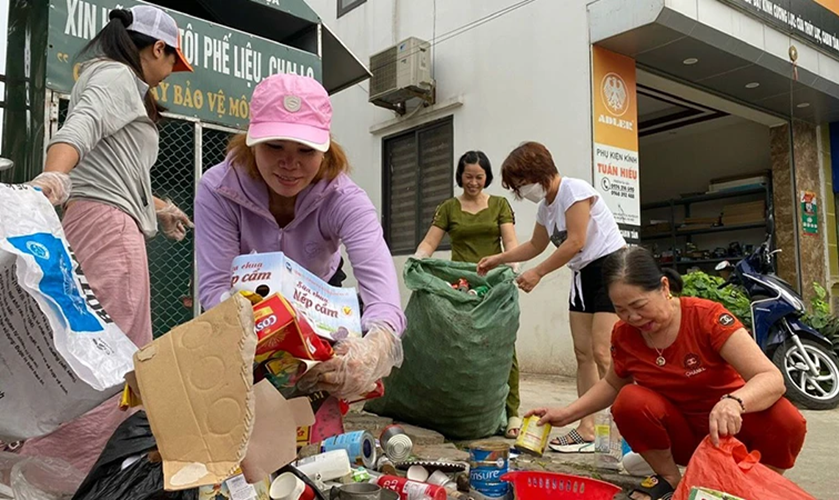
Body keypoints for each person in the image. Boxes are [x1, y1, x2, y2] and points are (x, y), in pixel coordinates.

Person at [22, 6, 194, 474]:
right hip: (109, 234)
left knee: (84, 349)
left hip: (92, 223)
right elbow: (79, 130)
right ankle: (81, 470)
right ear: (158, 48)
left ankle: (61, 465)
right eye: (171, 63)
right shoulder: (117, 78)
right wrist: (52, 178)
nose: (169, 75)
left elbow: (114, 168)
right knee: (110, 361)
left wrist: (158, 207)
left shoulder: (109, 77)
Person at [527, 246, 807, 500]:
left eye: (639, 306)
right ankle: (669, 478)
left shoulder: (707, 318)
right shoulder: (624, 334)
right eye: (620, 310)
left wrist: (735, 402)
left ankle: (753, 484)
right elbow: (613, 384)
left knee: (786, 419)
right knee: (629, 400)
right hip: (681, 435)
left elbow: (770, 378)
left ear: (664, 287)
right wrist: (567, 414)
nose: (632, 318)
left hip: (729, 430)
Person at [194, 73, 406, 399]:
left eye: (306, 150)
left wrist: (375, 348)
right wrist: (256, 340)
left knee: (318, 402)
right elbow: (215, 286)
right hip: (248, 305)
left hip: (320, 298)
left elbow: (382, 292)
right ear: (251, 143)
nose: (289, 164)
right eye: (274, 146)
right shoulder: (219, 189)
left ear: (325, 149)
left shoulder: (344, 198)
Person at [477, 141, 625, 452]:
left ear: (538, 172)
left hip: (611, 269)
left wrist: (538, 273)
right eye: (518, 186)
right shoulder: (546, 207)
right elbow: (535, 245)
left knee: (603, 352)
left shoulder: (573, 189)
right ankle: (587, 428)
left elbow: (576, 242)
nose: (523, 190)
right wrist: (497, 259)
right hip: (583, 274)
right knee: (583, 353)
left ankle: (622, 428)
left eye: (522, 182)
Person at [413, 150, 522, 438]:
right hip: (460, 286)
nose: (473, 182)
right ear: (459, 176)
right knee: (457, 347)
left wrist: (513, 268)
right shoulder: (449, 207)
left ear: (487, 177)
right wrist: (417, 261)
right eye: (468, 176)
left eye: (479, 177)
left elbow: (510, 243)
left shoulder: (499, 205)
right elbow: (429, 242)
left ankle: (512, 414)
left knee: (502, 346)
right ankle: (453, 410)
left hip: (493, 284)